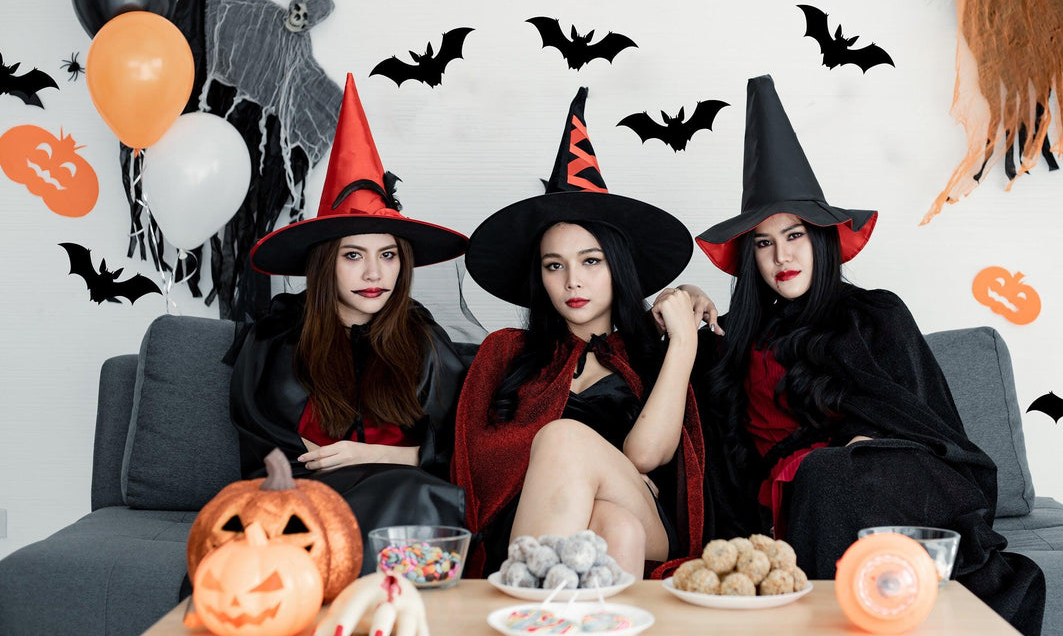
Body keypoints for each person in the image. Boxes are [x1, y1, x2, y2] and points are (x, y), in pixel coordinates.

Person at [690, 75, 1045, 636]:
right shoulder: (728, 340)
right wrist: (680, 306)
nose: (782, 255)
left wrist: (865, 443)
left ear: (823, 239)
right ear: (749, 257)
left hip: (891, 480)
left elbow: (928, 427)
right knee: (822, 476)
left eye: (797, 235)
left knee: (832, 471)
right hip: (792, 500)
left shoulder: (873, 314)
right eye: (763, 242)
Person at [452, 88, 707, 579]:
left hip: (649, 517)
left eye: (591, 261)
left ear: (618, 266)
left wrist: (684, 342)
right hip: (541, 519)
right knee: (615, 526)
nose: (573, 280)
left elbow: (646, 455)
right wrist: (585, 481)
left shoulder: (652, 351)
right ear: (539, 276)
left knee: (566, 440)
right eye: (555, 265)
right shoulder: (506, 350)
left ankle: (523, 611)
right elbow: (478, 464)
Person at [227, 75, 471, 575]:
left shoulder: (421, 340)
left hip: (410, 496)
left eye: (387, 256)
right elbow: (280, 458)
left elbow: (460, 449)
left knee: (425, 491)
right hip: (307, 504)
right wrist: (377, 460)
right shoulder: (279, 339)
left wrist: (373, 455)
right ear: (324, 265)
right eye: (353, 256)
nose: (374, 274)